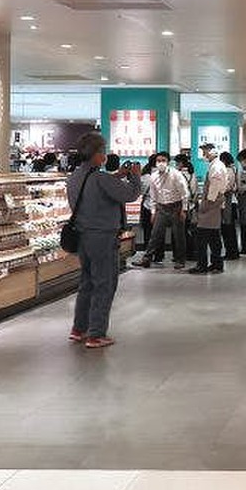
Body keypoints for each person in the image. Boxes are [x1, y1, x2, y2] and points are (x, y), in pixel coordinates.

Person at [66, 132, 142, 349]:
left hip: (82, 236)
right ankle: (96, 334)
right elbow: (130, 194)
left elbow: (96, 187)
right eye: (103, 151)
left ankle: (79, 329)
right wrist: (135, 176)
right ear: (98, 154)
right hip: (103, 237)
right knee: (104, 284)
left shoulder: (75, 177)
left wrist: (117, 175)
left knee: (87, 283)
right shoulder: (100, 178)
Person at [137, 151, 190, 269]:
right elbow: (153, 195)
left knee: (178, 235)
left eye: (163, 161)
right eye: (158, 161)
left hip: (176, 206)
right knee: (155, 234)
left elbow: (185, 193)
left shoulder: (176, 174)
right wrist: (153, 212)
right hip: (161, 207)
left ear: (168, 162)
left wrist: (184, 209)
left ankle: (180, 260)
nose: (160, 163)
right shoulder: (153, 176)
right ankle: (147, 258)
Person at [190, 143, 228, 274]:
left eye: (205, 152)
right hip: (215, 203)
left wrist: (206, 204)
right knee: (213, 236)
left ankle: (202, 265)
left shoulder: (216, 166)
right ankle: (217, 264)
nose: (203, 155)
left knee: (202, 236)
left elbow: (214, 187)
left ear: (211, 152)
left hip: (212, 203)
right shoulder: (216, 165)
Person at [219, 152, 240, 261]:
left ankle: (231, 252)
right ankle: (232, 252)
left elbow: (226, 187)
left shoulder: (228, 171)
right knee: (229, 229)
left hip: (227, 203)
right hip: (230, 202)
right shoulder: (233, 169)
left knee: (228, 229)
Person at [139, 153, 158, 253]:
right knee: (159, 231)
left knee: (147, 231)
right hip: (160, 207)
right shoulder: (165, 175)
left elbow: (141, 191)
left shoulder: (145, 176)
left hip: (147, 206)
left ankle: (148, 253)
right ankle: (159, 254)